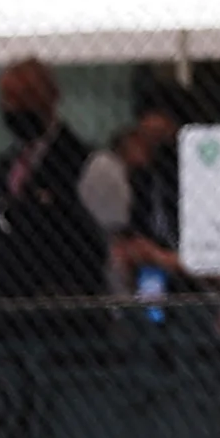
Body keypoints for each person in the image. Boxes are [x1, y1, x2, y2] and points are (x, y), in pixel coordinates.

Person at [0, 57, 103, 438]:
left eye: (24, 98)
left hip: (65, 322)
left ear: (50, 99)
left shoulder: (85, 163)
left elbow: (101, 244)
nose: (14, 109)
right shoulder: (5, 168)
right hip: (12, 320)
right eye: (8, 99)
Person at [76, 86, 186, 299]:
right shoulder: (140, 179)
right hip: (152, 278)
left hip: (180, 269)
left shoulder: (184, 176)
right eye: (145, 137)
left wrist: (158, 255)